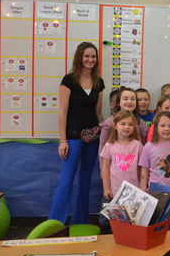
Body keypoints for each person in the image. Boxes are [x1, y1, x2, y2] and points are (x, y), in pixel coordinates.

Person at [49, 42, 105, 225]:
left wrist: (104, 136)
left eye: (93, 57)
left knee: (85, 180)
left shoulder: (99, 82)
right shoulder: (69, 80)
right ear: (79, 57)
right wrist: (62, 140)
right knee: (67, 180)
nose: (90, 60)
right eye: (86, 56)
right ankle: (56, 223)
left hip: (92, 137)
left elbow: (98, 113)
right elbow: (62, 112)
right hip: (72, 137)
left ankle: (80, 221)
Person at [139, 111, 170, 256]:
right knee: (155, 223)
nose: (166, 128)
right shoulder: (149, 146)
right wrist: (143, 188)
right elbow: (144, 170)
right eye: (163, 125)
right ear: (156, 127)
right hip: (154, 192)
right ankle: (157, 254)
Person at [100, 110, 143, 201]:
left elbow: (141, 168)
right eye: (123, 124)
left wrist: (142, 187)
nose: (127, 127)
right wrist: (106, 188)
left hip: (134, 192)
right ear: (115, 125)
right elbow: (105, 168)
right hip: (115, 191)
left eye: (130, 124)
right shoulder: (109, 145)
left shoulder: (137, 145)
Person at [99, 87, 148, 156]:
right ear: (119, 102)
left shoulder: (140, 123)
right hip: (114, 163)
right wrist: (102, 166)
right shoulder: (109, 122)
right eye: (125, 99)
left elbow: (144, 145)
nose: (129, 102)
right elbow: (102, 145)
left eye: (133, 99)